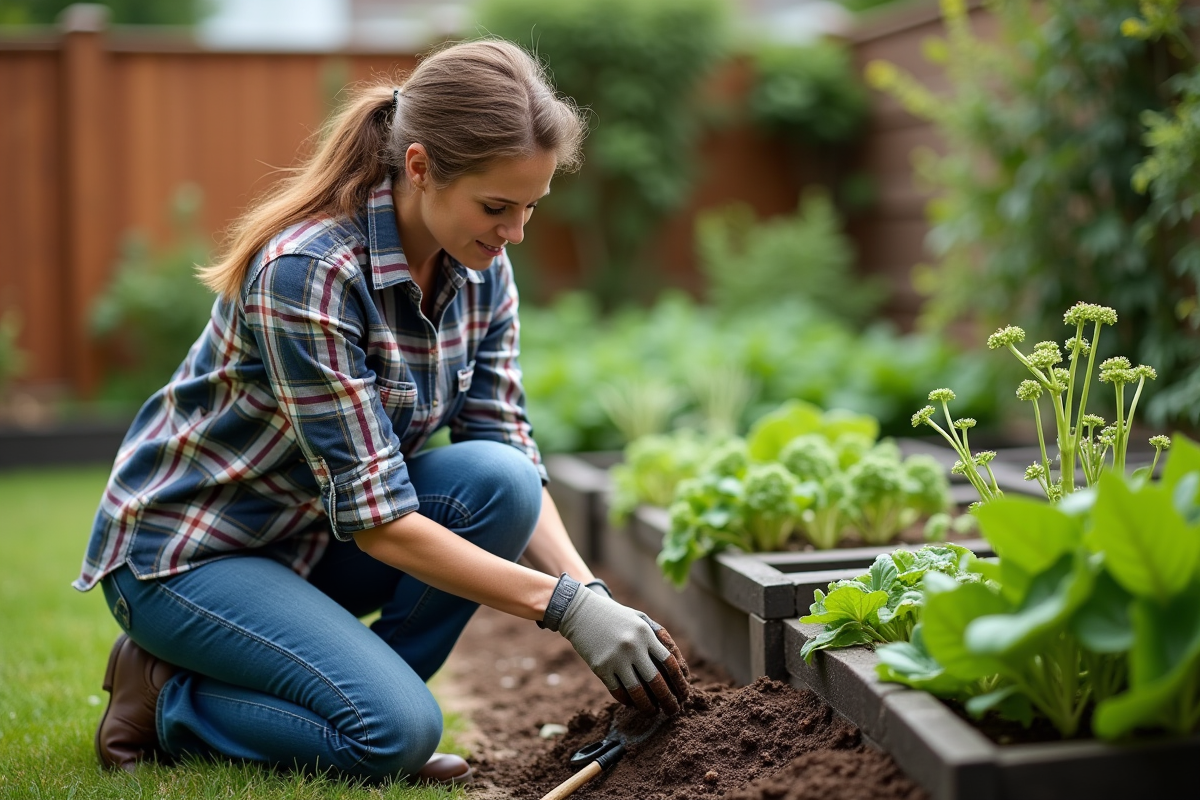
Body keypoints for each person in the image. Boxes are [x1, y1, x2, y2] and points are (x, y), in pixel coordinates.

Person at [76, 39, 690, 785]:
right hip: (192, 552)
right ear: (422, 166)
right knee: (392, 734)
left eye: (531, 208)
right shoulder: (308, 271)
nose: (515, 235)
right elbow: (377, 521)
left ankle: (357, 712)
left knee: (500, 480)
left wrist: (588, 591)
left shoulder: (478, 267)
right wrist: (562, 609)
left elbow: (507, 448)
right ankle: (171, 696)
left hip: (308, 536)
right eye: (497, 207)